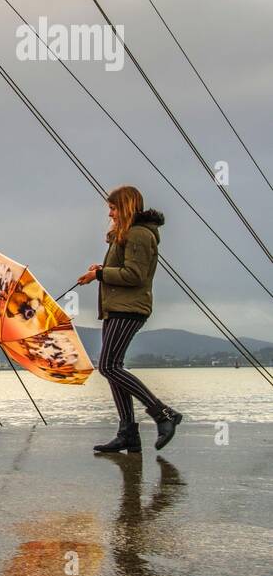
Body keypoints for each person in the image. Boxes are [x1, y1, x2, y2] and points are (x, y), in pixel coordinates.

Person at [76, 186, 183, 453]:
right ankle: (128, 434)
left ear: (125, 208)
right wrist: (101, 270)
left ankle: (162, 413)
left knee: (109, 366)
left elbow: (135, 275)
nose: (110, 214)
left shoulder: (138, 234)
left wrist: (100, 275)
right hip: (116, 308)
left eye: (113, 208)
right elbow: (122, 269)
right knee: (113, 368)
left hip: (130, 308)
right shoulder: (126, 234)